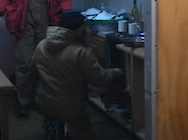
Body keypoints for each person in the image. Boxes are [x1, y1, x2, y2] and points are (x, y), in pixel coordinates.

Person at [34, 10, 123, 140]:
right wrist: (116, 72)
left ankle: (54, 129)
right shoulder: (81, 52)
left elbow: (34, 72)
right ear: (81, 28)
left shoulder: (41, 45)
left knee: (55, 119)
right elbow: (98, 79)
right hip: (70, 108)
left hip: (43, 102)